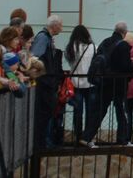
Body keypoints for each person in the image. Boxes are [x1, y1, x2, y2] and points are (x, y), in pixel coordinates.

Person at [30, 15, 65, 149]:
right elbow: (35, 58)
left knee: (46, 114)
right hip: (43, 84)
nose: (61, 28)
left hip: (46, 82)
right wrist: (42, 75)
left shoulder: (46, 38)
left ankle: (42, 143)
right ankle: (40, 144)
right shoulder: (43, 38)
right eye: (60, 25)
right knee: (43, 115)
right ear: (54, 25)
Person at [64, 25, 96, 144]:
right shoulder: (93, 47)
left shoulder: (70, 48)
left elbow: (69, 61)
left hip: (75, 83)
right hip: (90, 83)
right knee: (90, 111)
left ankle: (77, 135)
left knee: (78, 111)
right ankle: (87, 137)